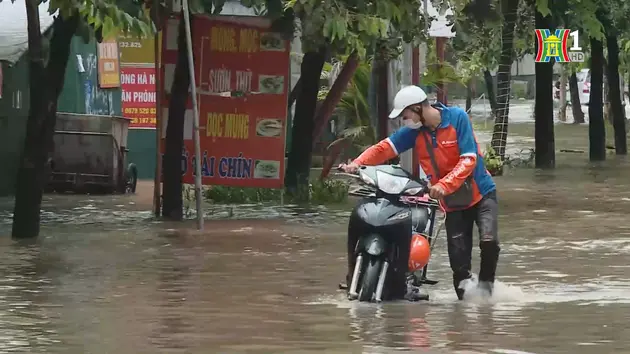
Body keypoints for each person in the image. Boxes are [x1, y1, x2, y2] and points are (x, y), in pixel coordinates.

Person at [338, 85, 500, 300]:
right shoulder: (414, 134)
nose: (405, 121)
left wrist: (444, 184)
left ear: (417, 108)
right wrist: (357, 164)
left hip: (482, 194)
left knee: (488, 241)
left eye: (405, 116)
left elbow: (469, 158)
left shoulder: (457, 118)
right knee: (459, 265)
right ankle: (466, 312)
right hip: (453, 203)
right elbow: (384, 148)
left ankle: (486, 293)